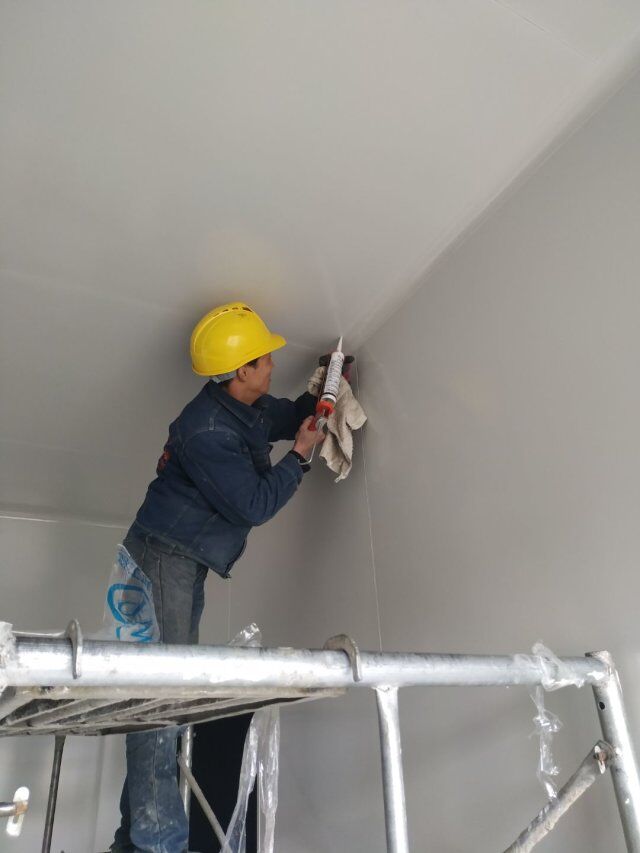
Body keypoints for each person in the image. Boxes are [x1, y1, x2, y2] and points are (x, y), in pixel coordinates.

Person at [109, 301, 325, 853]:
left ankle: (135, 835)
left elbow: (281, 416)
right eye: (263, 359)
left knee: (168, 693)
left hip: (183, 558)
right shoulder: (205, 431)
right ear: (240, 371)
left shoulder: (239, 404)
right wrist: (300, 458)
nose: (272, 363)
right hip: (162, 557)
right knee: (164, 698)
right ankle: (156, 842)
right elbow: (252, 503)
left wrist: (324, 391)